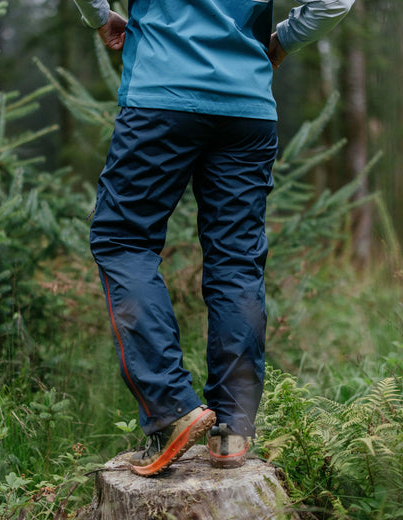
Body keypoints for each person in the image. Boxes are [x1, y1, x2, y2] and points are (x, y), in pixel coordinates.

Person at [72, 0, 354, 477]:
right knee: (237, 261)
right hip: (247, 107)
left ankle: (170, 408)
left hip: (159, 97)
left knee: (122, 241)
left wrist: (100, 16)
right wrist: (284, 37)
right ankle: (233, 427)